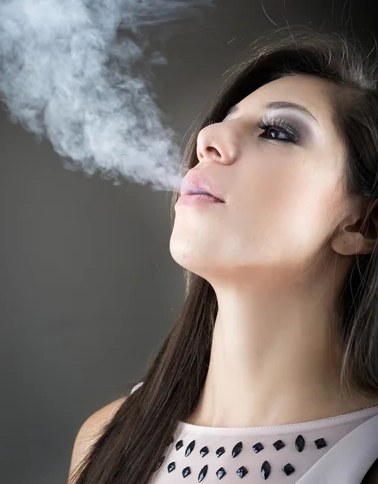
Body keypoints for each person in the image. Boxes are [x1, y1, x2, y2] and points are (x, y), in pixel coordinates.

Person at [67, 26, 378, 484]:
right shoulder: (107, 436)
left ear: (361, 224)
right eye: (224, 119)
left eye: (276, 131)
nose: (208, 138)